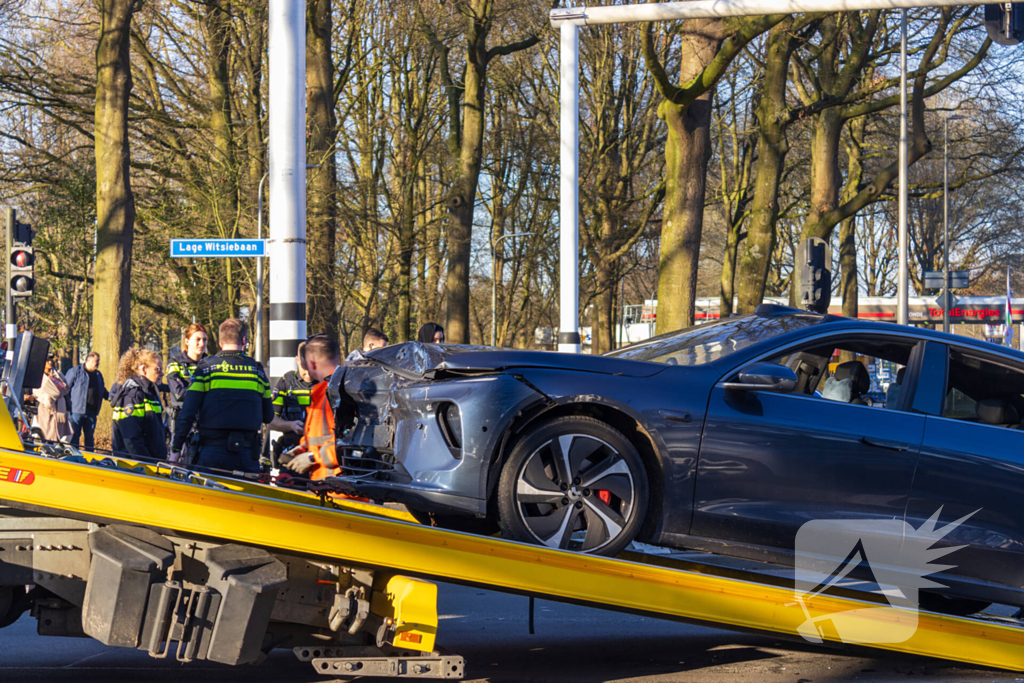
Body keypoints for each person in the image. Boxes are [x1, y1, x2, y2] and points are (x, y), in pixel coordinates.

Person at [171, 318, 274, 473]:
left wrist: (176, 449)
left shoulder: (205, 370)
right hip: (246, 455)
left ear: (220, 342)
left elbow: (188, 413)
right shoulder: (257, 372)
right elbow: (269, 416)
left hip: (211, 454)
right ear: (244, 340)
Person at [284, 334, 357, 480]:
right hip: (328, 485)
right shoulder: (328, 392)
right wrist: (300, 449)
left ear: (311, 363)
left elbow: (349, 441)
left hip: (339, 489)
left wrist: (312, 457)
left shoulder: (338, 394)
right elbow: (322, 436)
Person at [110, 348, 167, 459]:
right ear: (143, 369)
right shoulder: (133, 396)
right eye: (158, 369)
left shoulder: (149, 393)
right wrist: (147, 465)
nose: (162, 373)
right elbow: (131, 440)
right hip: (135, 467)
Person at [270, 342, 314, 467]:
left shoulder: (326, 384)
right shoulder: (286, 382)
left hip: (317, 453)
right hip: (292, 451)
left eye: (311, 366)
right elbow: (270, 420)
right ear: (297, 359)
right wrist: (290, 425)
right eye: (304, 367)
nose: (308, 374)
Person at [165, 323, 208, 444]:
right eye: (198, 339)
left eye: (204, 340)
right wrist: (204, 391)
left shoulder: (211, 364)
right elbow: (178, 393)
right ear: (187, 341)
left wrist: (189, 388)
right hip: (181, 420)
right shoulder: (175, 363)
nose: (202, 343)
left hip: (205, 420)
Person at [64, 351, 108, 450]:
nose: (98, 363)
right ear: (89, 360)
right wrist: (67, 406)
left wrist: (110, 397)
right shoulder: (75, 371)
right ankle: (74, 456)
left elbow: (102, 389)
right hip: (76, 410)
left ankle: (89, 458)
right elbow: (65, 388)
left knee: (89, 437)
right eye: (96, 361)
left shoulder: (98, 375)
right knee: (75, 436)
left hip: (92, 412)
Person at [32, 354, 71, 442]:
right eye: (47, 360)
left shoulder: (59, 374)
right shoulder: (38, 376)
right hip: (45, 407)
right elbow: (36, 392)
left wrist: (67, 407)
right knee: (46, 432)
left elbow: (66, 389)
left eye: (51, 360)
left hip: (59, 408)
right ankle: (46, 447)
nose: (50, 362)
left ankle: (55, 447)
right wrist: (48, 396)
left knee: (58, 433)